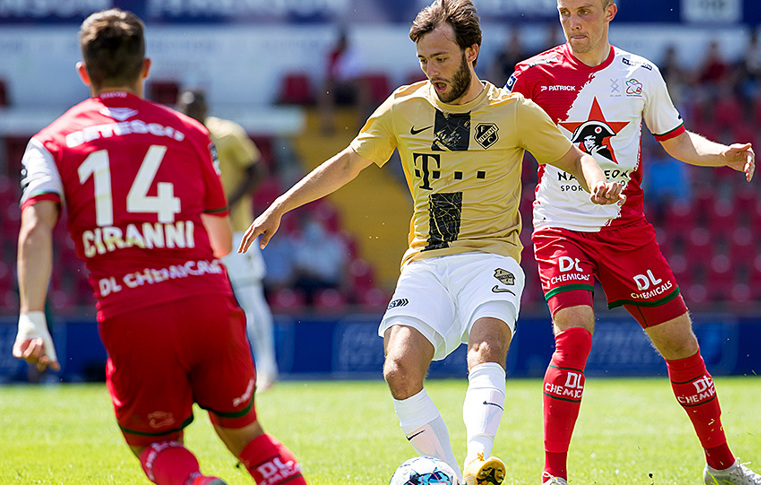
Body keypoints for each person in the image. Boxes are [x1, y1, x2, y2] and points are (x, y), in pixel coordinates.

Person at [239, 1, 624, 483]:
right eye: (423, 60)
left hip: (490, 256)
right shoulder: (405, 107)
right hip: (427, 259)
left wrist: (597, 178)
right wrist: (280, 206)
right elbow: (347, 163)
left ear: (472, 51)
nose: (431, 70)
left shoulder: (513, 111)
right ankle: (448, 474)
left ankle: (477, 459)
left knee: (485, 348)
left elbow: (575, 155)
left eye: (441, 58)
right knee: (398, 369)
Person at [11, 10, 305, 485]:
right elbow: (220, 240)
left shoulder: (50, 142)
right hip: (208, 303)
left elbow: (34, 230)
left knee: (155, 443)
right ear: (145, 68)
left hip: (133, 312)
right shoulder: (192, 133)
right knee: (249, 436)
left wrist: (31, 316)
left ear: (84, 73)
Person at [504, 1, 761, 484]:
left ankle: (722, 468)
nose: (573, 22)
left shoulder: (640, 74)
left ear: (610, 11)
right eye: (565, 12)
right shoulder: (531, 75)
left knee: (681, 345)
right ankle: (554, 477)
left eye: (584, 11)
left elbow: (676, 140)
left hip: (625, 232)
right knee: (574, 337)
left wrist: (724, 155)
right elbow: (498, 135)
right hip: (559, 228)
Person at [176, 89, 279, 392]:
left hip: (236, 232)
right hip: (198, 235)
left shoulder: (227, 134)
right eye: (184, 109)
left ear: (206, 108)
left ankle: (267, 370)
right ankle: (203, 371)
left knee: (249, 298)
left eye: (194, 108)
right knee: (198, 303)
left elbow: (257, 171)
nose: (189, 114)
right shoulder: (180, 138)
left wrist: (227, 203)